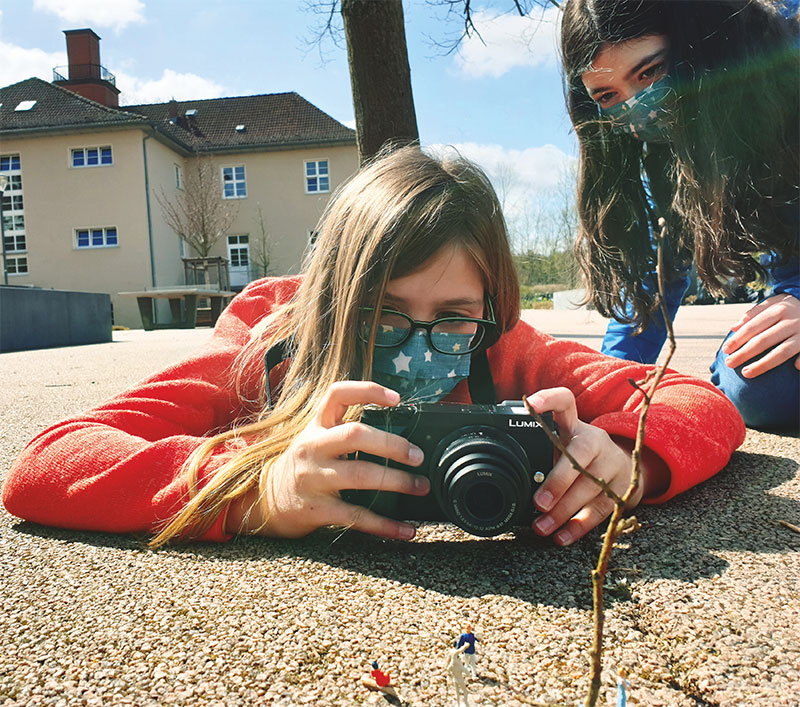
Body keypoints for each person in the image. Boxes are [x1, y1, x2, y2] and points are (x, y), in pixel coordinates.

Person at [2, 147, 745, 548]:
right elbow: (45, 462)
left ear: (492, 307)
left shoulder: (504, 348)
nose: (421, 346)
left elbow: (699, 400)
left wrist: (629, 461)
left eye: (453, 316)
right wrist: (256, 489)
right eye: (383, 314)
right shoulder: (274, 343)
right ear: (334, 305)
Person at [560, 0, 800, 429]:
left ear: (699, 39)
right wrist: (602, 391)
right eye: (609, 96)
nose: (640, 108)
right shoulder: (672, 156)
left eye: (650, 72)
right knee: (758, 383)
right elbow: (655, 285)